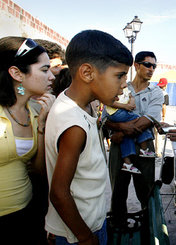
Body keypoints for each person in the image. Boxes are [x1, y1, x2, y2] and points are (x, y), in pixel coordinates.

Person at [44, 30, 133, 244]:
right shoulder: (73, 124)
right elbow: (58, 192)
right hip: (76, 233)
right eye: (119, 75)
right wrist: (85, 237)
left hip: (89, 223)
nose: (124, 84)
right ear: (87, 73)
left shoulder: (80, 106)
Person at [0, 36, 55, 244]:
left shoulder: (34, 112)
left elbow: (38, 170)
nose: (51, 77)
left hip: (26, 215)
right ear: (16, 73)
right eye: (44, 69)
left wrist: (41, 125)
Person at [106, 51, 163, 225]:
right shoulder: (120, 87)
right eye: (147, 64)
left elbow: (146, 122)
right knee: (118, 190)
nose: (151, 69)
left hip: (142, 147)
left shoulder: (156, 92)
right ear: (136, 66)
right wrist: (115, 129)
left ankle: (149, 228)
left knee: (146, 191)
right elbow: (106, 117)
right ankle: (118, 226)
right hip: (121, 149)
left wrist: (120, 132)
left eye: (154, 65)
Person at [103, 86, 156, 174]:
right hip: (116, 112)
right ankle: (144, 149)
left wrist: (131, 103)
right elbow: (109, 102)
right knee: (137, 119)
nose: (125, 80)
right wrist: (126, 106)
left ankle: (127, 163)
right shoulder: (113, 86)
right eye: (123, 76)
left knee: (126, 138)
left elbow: (131, 97)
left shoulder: (126, 88)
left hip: (119, 115)